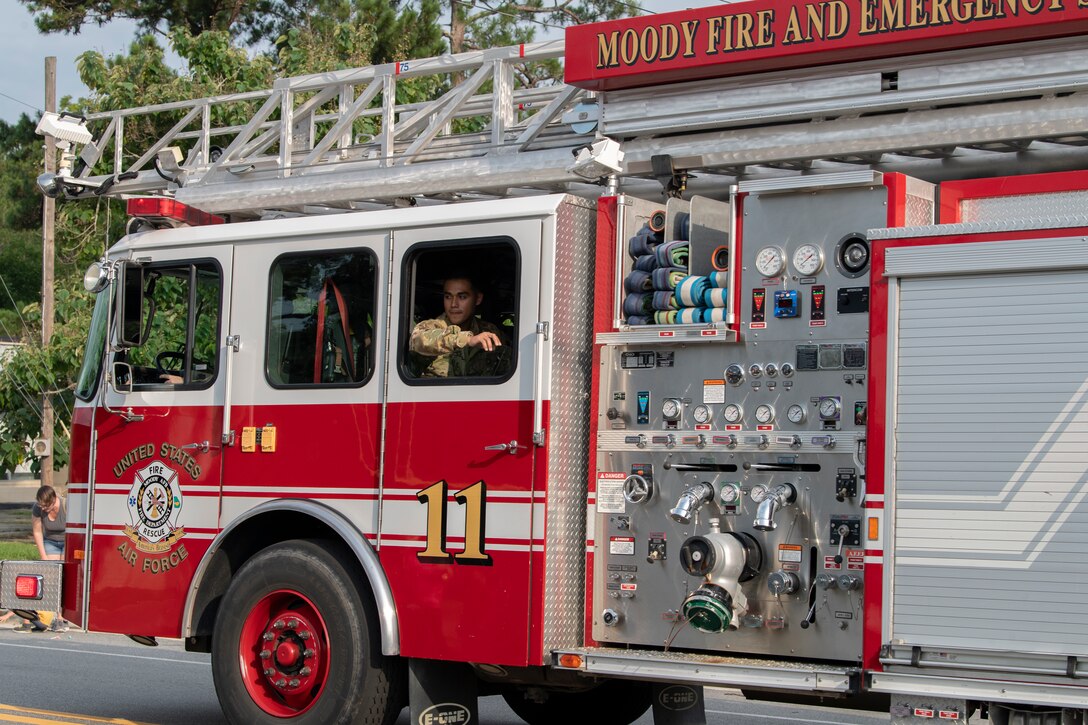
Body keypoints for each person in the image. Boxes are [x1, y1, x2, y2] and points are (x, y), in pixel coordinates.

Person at [409, 276, 505, 378]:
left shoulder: (489, 330)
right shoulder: (432, 326)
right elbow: (418, 340)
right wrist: (467, 339)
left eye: (462, 297)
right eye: (448, 297)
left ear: (478, 299)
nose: (453, 304)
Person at [15, 485, 69, 633]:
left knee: (64, 576)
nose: (44, 509)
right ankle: (50, 616)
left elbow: (74, 528)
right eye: (41, 506)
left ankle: (61, 618)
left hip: (67, 540)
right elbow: (37, 532)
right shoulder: (37, 508)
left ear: (54, 500)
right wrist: (44, 556)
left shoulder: (65, 505)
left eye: (47, 506)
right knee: (51, 578)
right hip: (50, 541)